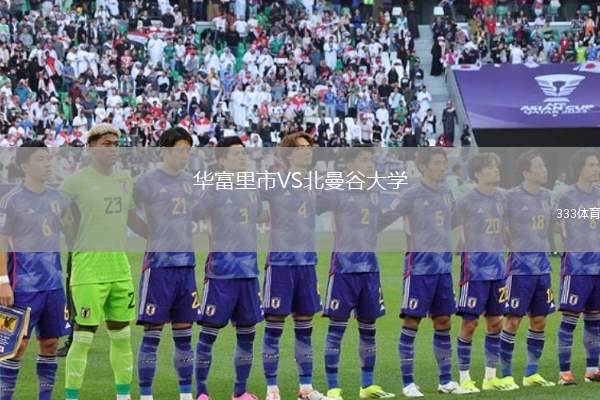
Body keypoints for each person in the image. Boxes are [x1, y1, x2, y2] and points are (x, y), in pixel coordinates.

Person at [62, 123, 147, 400]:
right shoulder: (75, 182)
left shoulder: (125, 179)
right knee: (83, 336)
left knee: (122, 336)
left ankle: (123, 396)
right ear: (91, 147)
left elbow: (131, 217)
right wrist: (73, 238)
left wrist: (155, 235)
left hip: (119, 268)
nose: (113, 149)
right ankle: (72, 397)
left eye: (116, 144)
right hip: (88, 268)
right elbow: (56, 213)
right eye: (107, 144)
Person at [389, 148, 468, 397]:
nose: (442, 167)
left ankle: (446, 381)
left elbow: (453, 221)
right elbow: (390, 214)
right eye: (436, 163)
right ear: (423, 167)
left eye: (444, 163)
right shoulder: (411, 194)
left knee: (443, 321)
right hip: (419, 268)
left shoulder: (447, 192)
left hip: (443, 268)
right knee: (411, 322)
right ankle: (408, 383)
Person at [319, 146, 395, 400]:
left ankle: (367, 385)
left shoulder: (374, 191)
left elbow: (376, 223)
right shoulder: (336, 190)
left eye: (371, 160)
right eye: (363, 160)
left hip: (370, 269)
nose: (370, 164)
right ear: (350, 165)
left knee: (369, 328)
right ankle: (333, 388)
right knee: (336, 329)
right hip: (344, 268)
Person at [0, 141, 71, 400]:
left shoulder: (58, 198)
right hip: (22, 286)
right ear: (24, 165)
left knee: (50, 344)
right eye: (40, 159)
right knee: (14, 348)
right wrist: (2, 281)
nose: (48, 163)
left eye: (48, 158)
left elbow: (71, 233)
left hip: (53, 285)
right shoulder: (11, 200)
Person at [261, 133, 328, 400]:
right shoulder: (275, 181)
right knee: (274, 327)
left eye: (310, 147)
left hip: (307, 263)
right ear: (288, 153)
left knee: (305, 328)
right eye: (301, 148)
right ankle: (272, 389)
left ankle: (306, 388)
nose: (308, 151)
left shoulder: (314, 182)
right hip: (280, 262)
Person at [195, 136, 263, 400]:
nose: (242, 157)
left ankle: (240, 391)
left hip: (248, 271)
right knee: (209, 334)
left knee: (247, 334)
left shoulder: (251, 185)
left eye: (244, 153)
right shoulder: (214, 186)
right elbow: (195, 212)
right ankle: (201, 392)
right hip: (221, 270)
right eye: (235, 154)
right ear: (222, 159)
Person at [133, 128, 197, 400]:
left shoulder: (191, 182)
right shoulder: (145, 182)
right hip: (158, 266)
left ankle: (185, 394)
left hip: (186, 266)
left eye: (188, 151)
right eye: (181, 150)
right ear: (166, 151)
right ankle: (146, 395)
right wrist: (149, 233)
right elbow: (127, 211)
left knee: (184, 335)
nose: (185, 155)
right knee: (152, 334)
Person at [500, 150, 556, 390]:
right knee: (513, 321)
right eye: (539, 166)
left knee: (540, 320)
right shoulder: (511, 197)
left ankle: (532, 372)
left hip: (543, 268)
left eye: (544, 166)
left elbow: (559, 221)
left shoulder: (549, 196)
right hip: (519, 269)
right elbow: (501, 226)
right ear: (526, 172)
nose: (544, 170)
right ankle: (505, 374)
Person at [453, 153, 509, 393]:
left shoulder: (503, 199)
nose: (496, 170)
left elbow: (505, 230)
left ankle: (490, 377)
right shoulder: (466, 201)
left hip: (498, 269)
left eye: (497, 167)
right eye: (490, 167)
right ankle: (464, 377)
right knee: (470, 323)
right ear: (477, 173)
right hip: (474, 270)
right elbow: (452, 228)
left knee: (495, 323)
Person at [556, 149, 600, 385]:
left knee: (594, 320)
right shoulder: (568, 197)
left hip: (598, 266)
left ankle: (592, 369)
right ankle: (564, 372)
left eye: (597, 164)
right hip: (577, 267)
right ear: (580, 168)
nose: (596, 169)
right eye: (591, 165)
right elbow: (560, 226)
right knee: (569, 320)